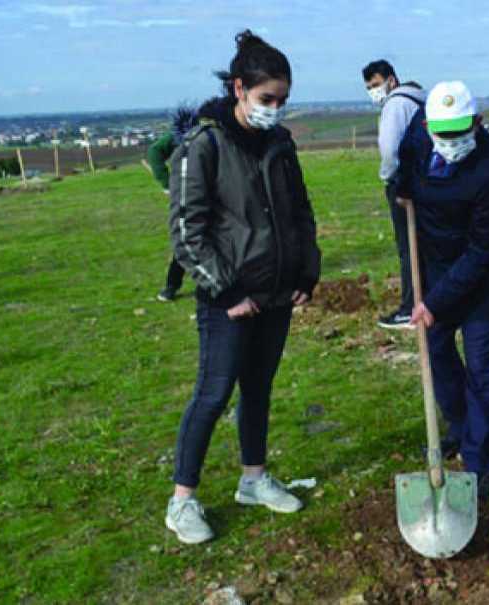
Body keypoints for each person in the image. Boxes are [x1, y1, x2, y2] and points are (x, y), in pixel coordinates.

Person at [164, 30, 321, 544]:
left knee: (258, 390)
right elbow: (188, 232)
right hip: (227, 300)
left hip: (276, 294)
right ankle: (182, 501)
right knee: (212, 394)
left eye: (282, 100)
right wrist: (228, 292)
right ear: (239, 89)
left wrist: (305, 272)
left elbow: (299, 212)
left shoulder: (280, 143)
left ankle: (254, 479)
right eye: (265, 99)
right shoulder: (202, 146)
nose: (274, 109)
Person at [394, 81, 489, 500]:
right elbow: (402, 166)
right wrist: (401, 187)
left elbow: (483, 250)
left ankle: (478, 461)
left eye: (460, 133)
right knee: (438, 354)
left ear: (478, 123)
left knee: (481, 368)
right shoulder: (416, 136)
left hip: (482, 279)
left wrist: (433, 301)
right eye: (442, 134)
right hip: (435, 264)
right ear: (427, 125)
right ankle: (461, 428)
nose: (450, 142)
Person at [362, 60, 427, 330]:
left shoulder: (395, 104)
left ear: (391, 80)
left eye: (376, 85)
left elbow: (389, 150)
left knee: (408, 246)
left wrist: (389, 177)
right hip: (428, 181)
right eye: (368, 88)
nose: (374, 91)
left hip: (405, 183)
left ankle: (410, 307)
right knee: (426, 244)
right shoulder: (418, 99)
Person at [147, 105, 197, 302]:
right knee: (187, 239)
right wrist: (167, 183)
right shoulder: (180, 137)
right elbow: (155, 151)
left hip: (216, 194)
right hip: (187, 196)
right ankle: (171, 286)